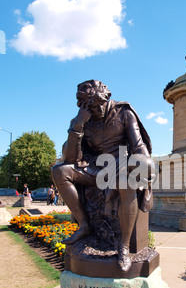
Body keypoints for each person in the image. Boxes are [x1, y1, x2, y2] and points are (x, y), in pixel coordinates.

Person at [52, 80, 154, 272]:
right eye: (87, 107)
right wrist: (78, 125)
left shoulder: (124, 112)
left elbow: (138, 145)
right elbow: (71, 158)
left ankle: (123, 247)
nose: (93, 111)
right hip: (98, 170)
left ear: (105, 98)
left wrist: (141, 160)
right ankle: (84, 225)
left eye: (96, 105)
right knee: (59, 171)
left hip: (123, 167)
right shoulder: (82, 120)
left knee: (126, 180)